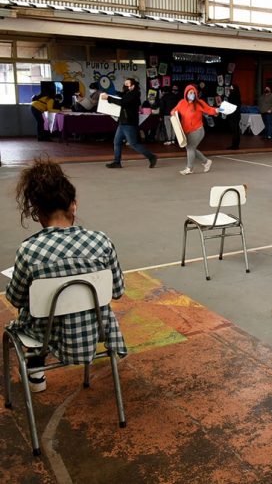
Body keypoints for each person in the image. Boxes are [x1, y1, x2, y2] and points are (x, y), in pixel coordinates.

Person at [5, 158, 127, 392]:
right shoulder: (102, 241)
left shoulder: (29, 250)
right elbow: (118, 291)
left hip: (45, 335)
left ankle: (36, 373)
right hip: (95, 329)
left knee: (32, 311)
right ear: (74, 205)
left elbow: (16, 299)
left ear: (37, 211)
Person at [103, 78, 158, 169]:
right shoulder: (128, 93)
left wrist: (108, 98)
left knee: (133, 144)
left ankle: (151, 156)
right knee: (116, 142)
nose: (125, 85)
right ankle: (117, 162)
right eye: (125, 83)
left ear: (133, 86)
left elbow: (122, 102)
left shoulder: (134, 94)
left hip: (129, 123)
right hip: (123, 122)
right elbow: (121, 95)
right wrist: (110, 93)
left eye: (127, 83)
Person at [171, 84, 221, 175]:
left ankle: (189, 168)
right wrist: (173, 112)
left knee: (190, 148)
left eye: (194, 93)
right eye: (190, 93)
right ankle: (206, 162)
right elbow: (174, 110)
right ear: (186, 93)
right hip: (186, 131)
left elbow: (209, 109)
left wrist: (217, 110)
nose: (192, 94)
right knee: (191, 149)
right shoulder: (182, 103)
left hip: (197, 130)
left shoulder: (199, 103)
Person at [226, 84, 242, 150]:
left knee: (235, 131)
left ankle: (235, 145)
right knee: (235, 131)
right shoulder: (233, 96)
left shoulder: (235, 97)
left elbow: (234, 106)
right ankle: (235, 145)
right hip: (233, 116)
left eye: (232, 88)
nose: (230, 89)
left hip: (234, 116)